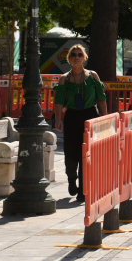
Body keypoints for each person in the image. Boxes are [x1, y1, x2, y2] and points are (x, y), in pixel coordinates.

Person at [53, 44, 107, 202]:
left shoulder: (93, 76)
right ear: (69, 58)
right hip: (71, 116)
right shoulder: (64, 79)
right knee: (70, 152)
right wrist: (57, 119)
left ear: (84, 58)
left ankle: (83, 190)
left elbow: (101, 98)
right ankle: (71, 179)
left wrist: (104, 118)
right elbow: (59, 101)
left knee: (86, 153)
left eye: (80, 54)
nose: (77, 57)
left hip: (89, 115)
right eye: (73, 55)